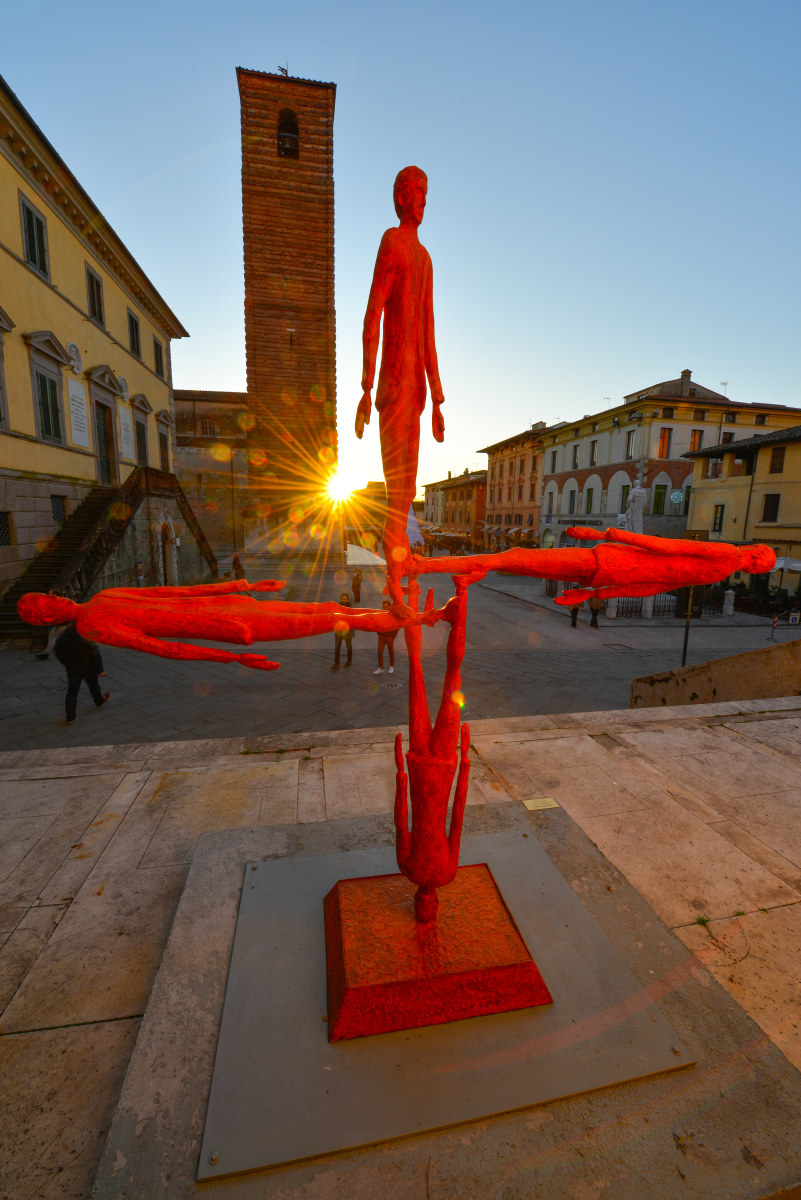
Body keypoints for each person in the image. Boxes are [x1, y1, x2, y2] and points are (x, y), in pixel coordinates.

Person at [355, 166, 445, 578]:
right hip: (393, 384)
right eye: (420, 192)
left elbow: (429, 331)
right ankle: (396, 578)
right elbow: (373, 314)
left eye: (427, 192)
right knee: (396, 491)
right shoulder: (391, 242)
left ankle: (399, 572)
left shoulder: (425, 259)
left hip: (415, 391)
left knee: (407, 490)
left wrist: (439, 399)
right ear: (403, 197)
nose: (425, 199)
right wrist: (365, 386)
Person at [53, 623, 110, 725]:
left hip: (72, 668)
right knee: (94, 686)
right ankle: (99, 700)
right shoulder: (86, 637)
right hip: (88, 667)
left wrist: (66, 663)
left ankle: (70, 716)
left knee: (72, 692)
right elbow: (95, 654)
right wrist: (100, 670)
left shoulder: (63, 637)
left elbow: (57, 651)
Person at [374, 599, 398, 674]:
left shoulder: (393, 615)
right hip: (381, 636)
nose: (385, 609)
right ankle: (380, 667)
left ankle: (391, 666)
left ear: (390, 607)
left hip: (390, 637)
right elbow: (377, 624)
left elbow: (397, 626)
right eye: (384, 607)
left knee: (391, 651)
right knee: (379, 652)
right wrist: (379, 633)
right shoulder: (380, 614)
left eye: (387, 607)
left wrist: (393, 636)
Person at [331, 592, 354, 671]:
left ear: (347, 600)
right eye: (342, 599)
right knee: (337, 648)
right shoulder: (337, 607)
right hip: (339, 631)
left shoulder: (350, 608)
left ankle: (349, 661)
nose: (343, 600)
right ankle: (336, 664)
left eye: (345, 599)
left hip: (348, 631)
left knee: (349, 647)